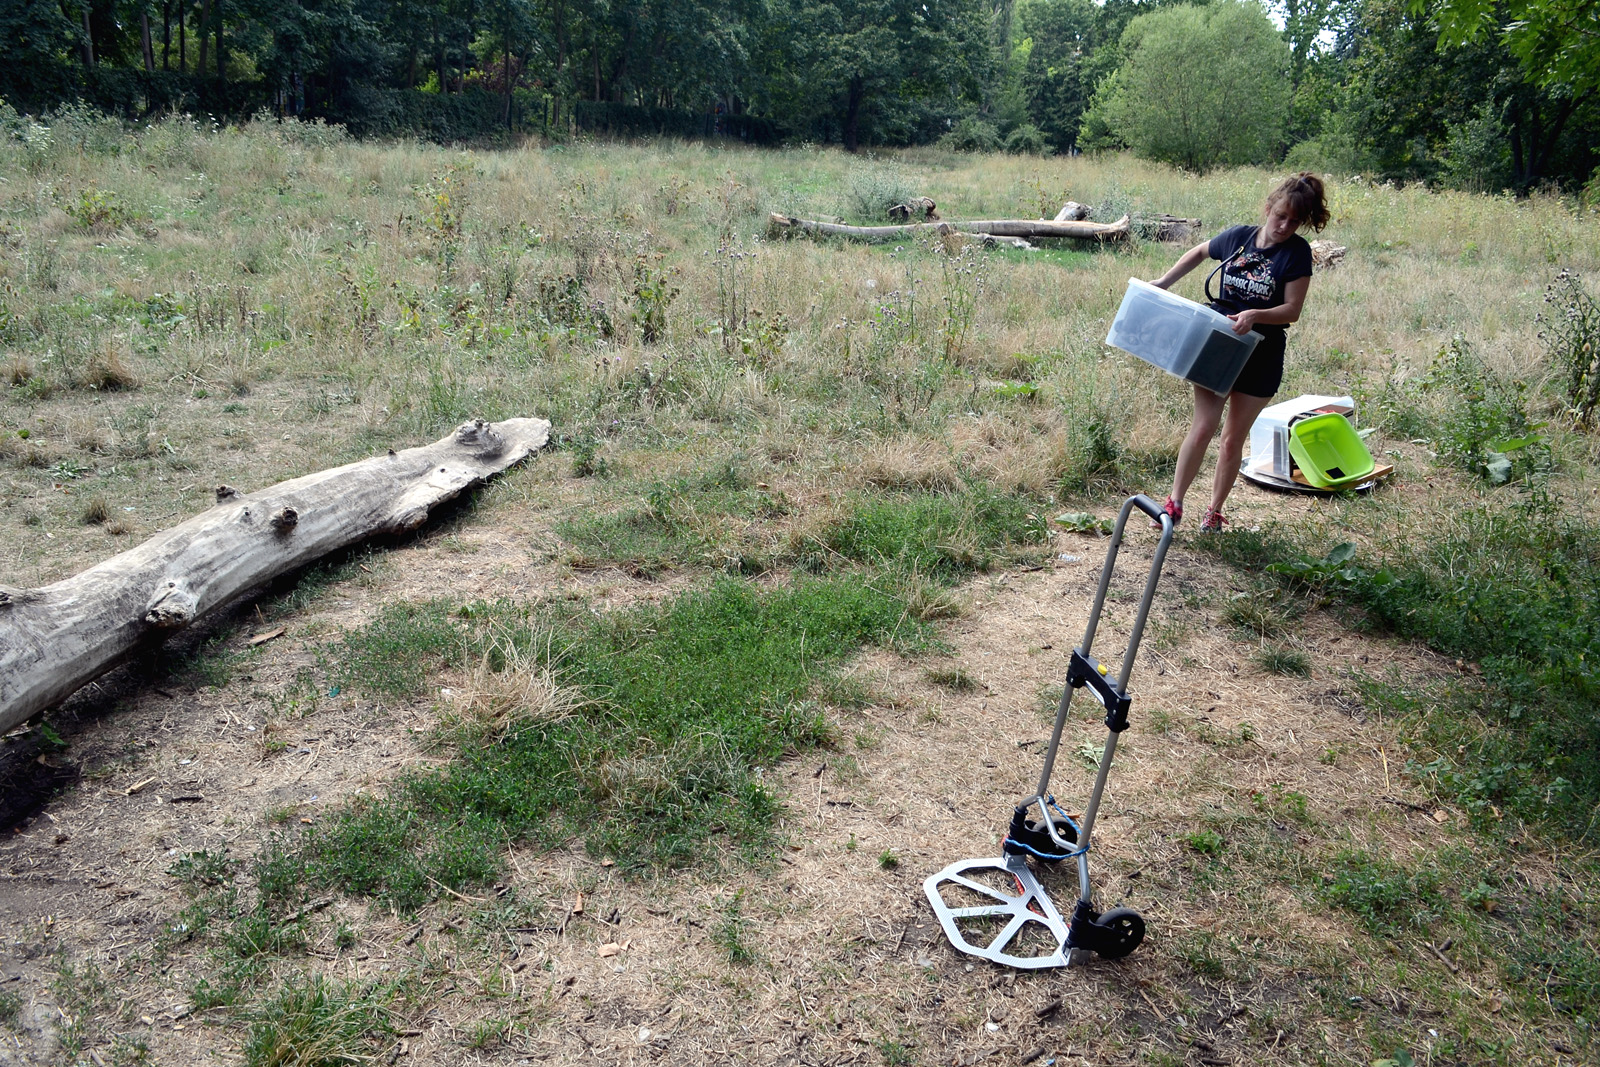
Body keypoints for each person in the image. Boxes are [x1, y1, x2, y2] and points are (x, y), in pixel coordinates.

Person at [1147, 172, 1331, 532]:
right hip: (1218, 344)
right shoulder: (1238, 238)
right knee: (1202, 428)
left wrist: (1255, 315)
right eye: (1280, 215)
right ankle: (1175, 503)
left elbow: (1292, 310)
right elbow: (1200, 251)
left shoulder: (1297, 253)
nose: (1284, 226)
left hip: (1261, 353)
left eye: (1295, 221)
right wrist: (1164, 282)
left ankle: (1214, 511)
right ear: (1268, 208)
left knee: (1232, 440)